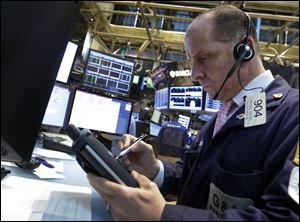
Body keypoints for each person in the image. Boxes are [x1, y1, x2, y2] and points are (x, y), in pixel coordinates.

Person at [87, 5, 299, 221]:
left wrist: (164, 216)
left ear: (245, 50)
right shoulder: (222, 116)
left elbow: (284, 217)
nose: (195, 74)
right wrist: (155, 169)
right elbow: (199, 181)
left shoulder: (292, 116)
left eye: (204, 58)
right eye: (191, 61)